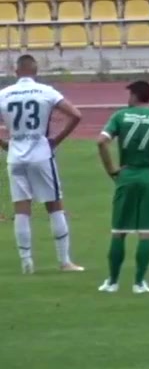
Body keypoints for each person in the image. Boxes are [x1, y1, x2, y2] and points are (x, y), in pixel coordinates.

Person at [0, 54, 84, 273]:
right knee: (55, 205)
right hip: (41, 153)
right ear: (35, 72)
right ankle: (65, 261)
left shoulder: (4, 94)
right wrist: (56, 139)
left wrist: (3, 144)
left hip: (16, 155)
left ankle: (26, 262)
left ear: (16, 71)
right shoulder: (46, 91)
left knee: (21, 208)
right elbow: (76, 115)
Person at [96, 80, 149, 293]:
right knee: (146, 232)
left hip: (125, 176)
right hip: (148, 178)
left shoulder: (120, 116)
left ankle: (113, 282)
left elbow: (101, 141)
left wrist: (111, 169)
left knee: (119, 231)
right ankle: (139, 283)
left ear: (135, 96)